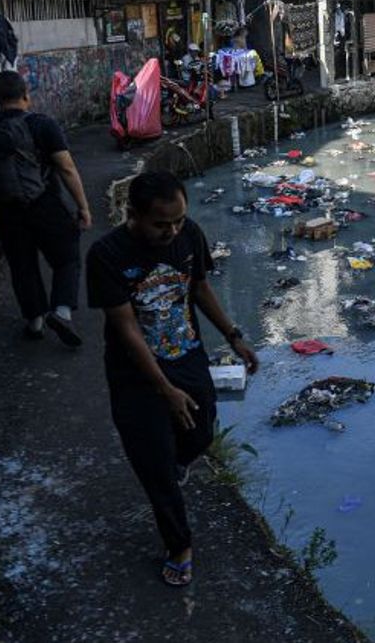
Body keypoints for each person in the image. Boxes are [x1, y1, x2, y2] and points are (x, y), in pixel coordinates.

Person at [87, 171, 258, 587]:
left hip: (188, 357)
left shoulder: (189, 235)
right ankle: (179, 544)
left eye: (179, 220)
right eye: (162, 224)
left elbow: (199, 289)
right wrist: (165, 390)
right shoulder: (106, 255)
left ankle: (180, 458)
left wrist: (234, 337)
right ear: (133, 215)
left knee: (200, 434)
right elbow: (126, 328)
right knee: (155, 469)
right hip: (136, 374)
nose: (173, 230)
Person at [0, 70, 91, 346]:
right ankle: (62, 312)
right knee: (67, 256)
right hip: (43, 203)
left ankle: (34, 321)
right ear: (25, 95)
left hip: (3, 209)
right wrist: (83, 207)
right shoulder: (41, 124)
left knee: (22, 265)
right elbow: (66, 169)